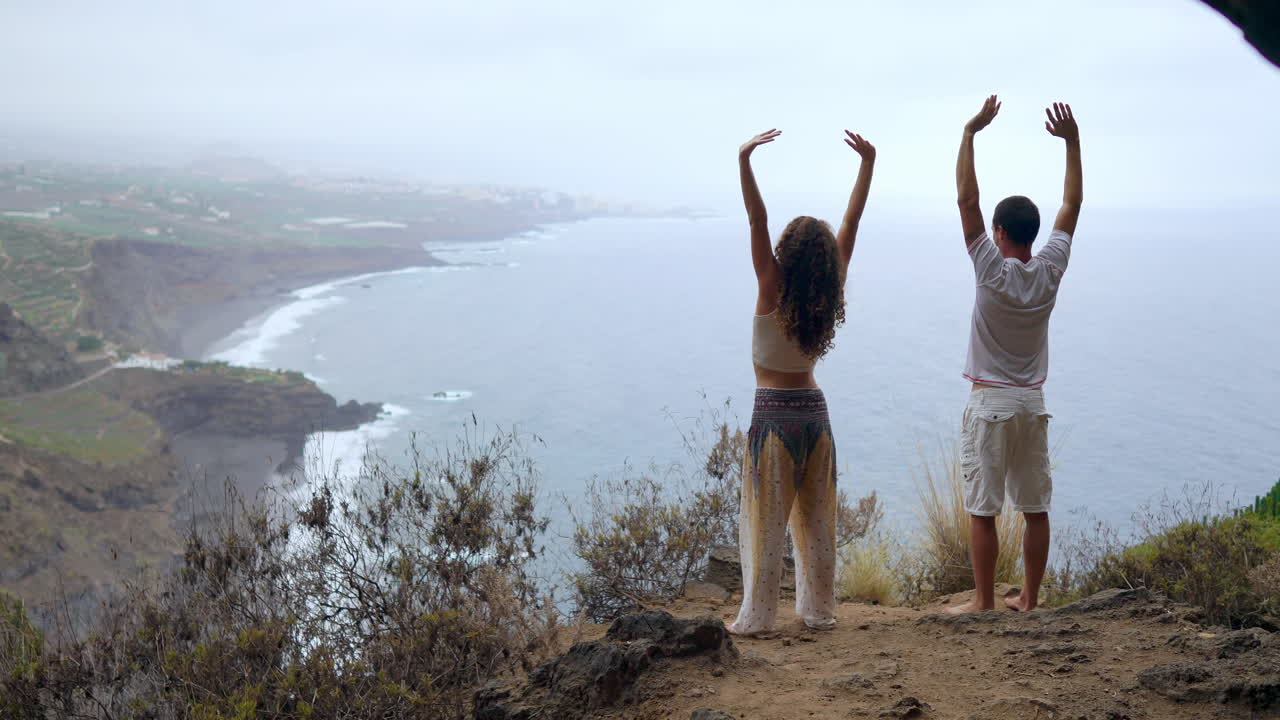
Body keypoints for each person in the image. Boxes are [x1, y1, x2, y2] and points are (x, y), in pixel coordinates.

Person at [729, 127, 874, 634]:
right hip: (815, 414)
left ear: (785, 254)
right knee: (816, 524)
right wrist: (867, 166)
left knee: (765, 526)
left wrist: (744, 161)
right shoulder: (828, 291)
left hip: (772, 415)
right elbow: (852, 220)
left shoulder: (770, 287)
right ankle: (816, 611)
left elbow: (756, 217)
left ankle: (759, 617)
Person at [945, 96, 1082, 614]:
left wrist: (969, 133)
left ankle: (983, 603)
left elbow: (966, 202)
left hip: (990, 404)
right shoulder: (1050, 271)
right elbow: (1071, 209)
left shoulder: (990, 270)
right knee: (1035, 509)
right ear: (1032, 233)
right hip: (1032, 404)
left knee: (983, 510)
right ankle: (1029, 599)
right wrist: (1072, 142)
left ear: (1000, 234)